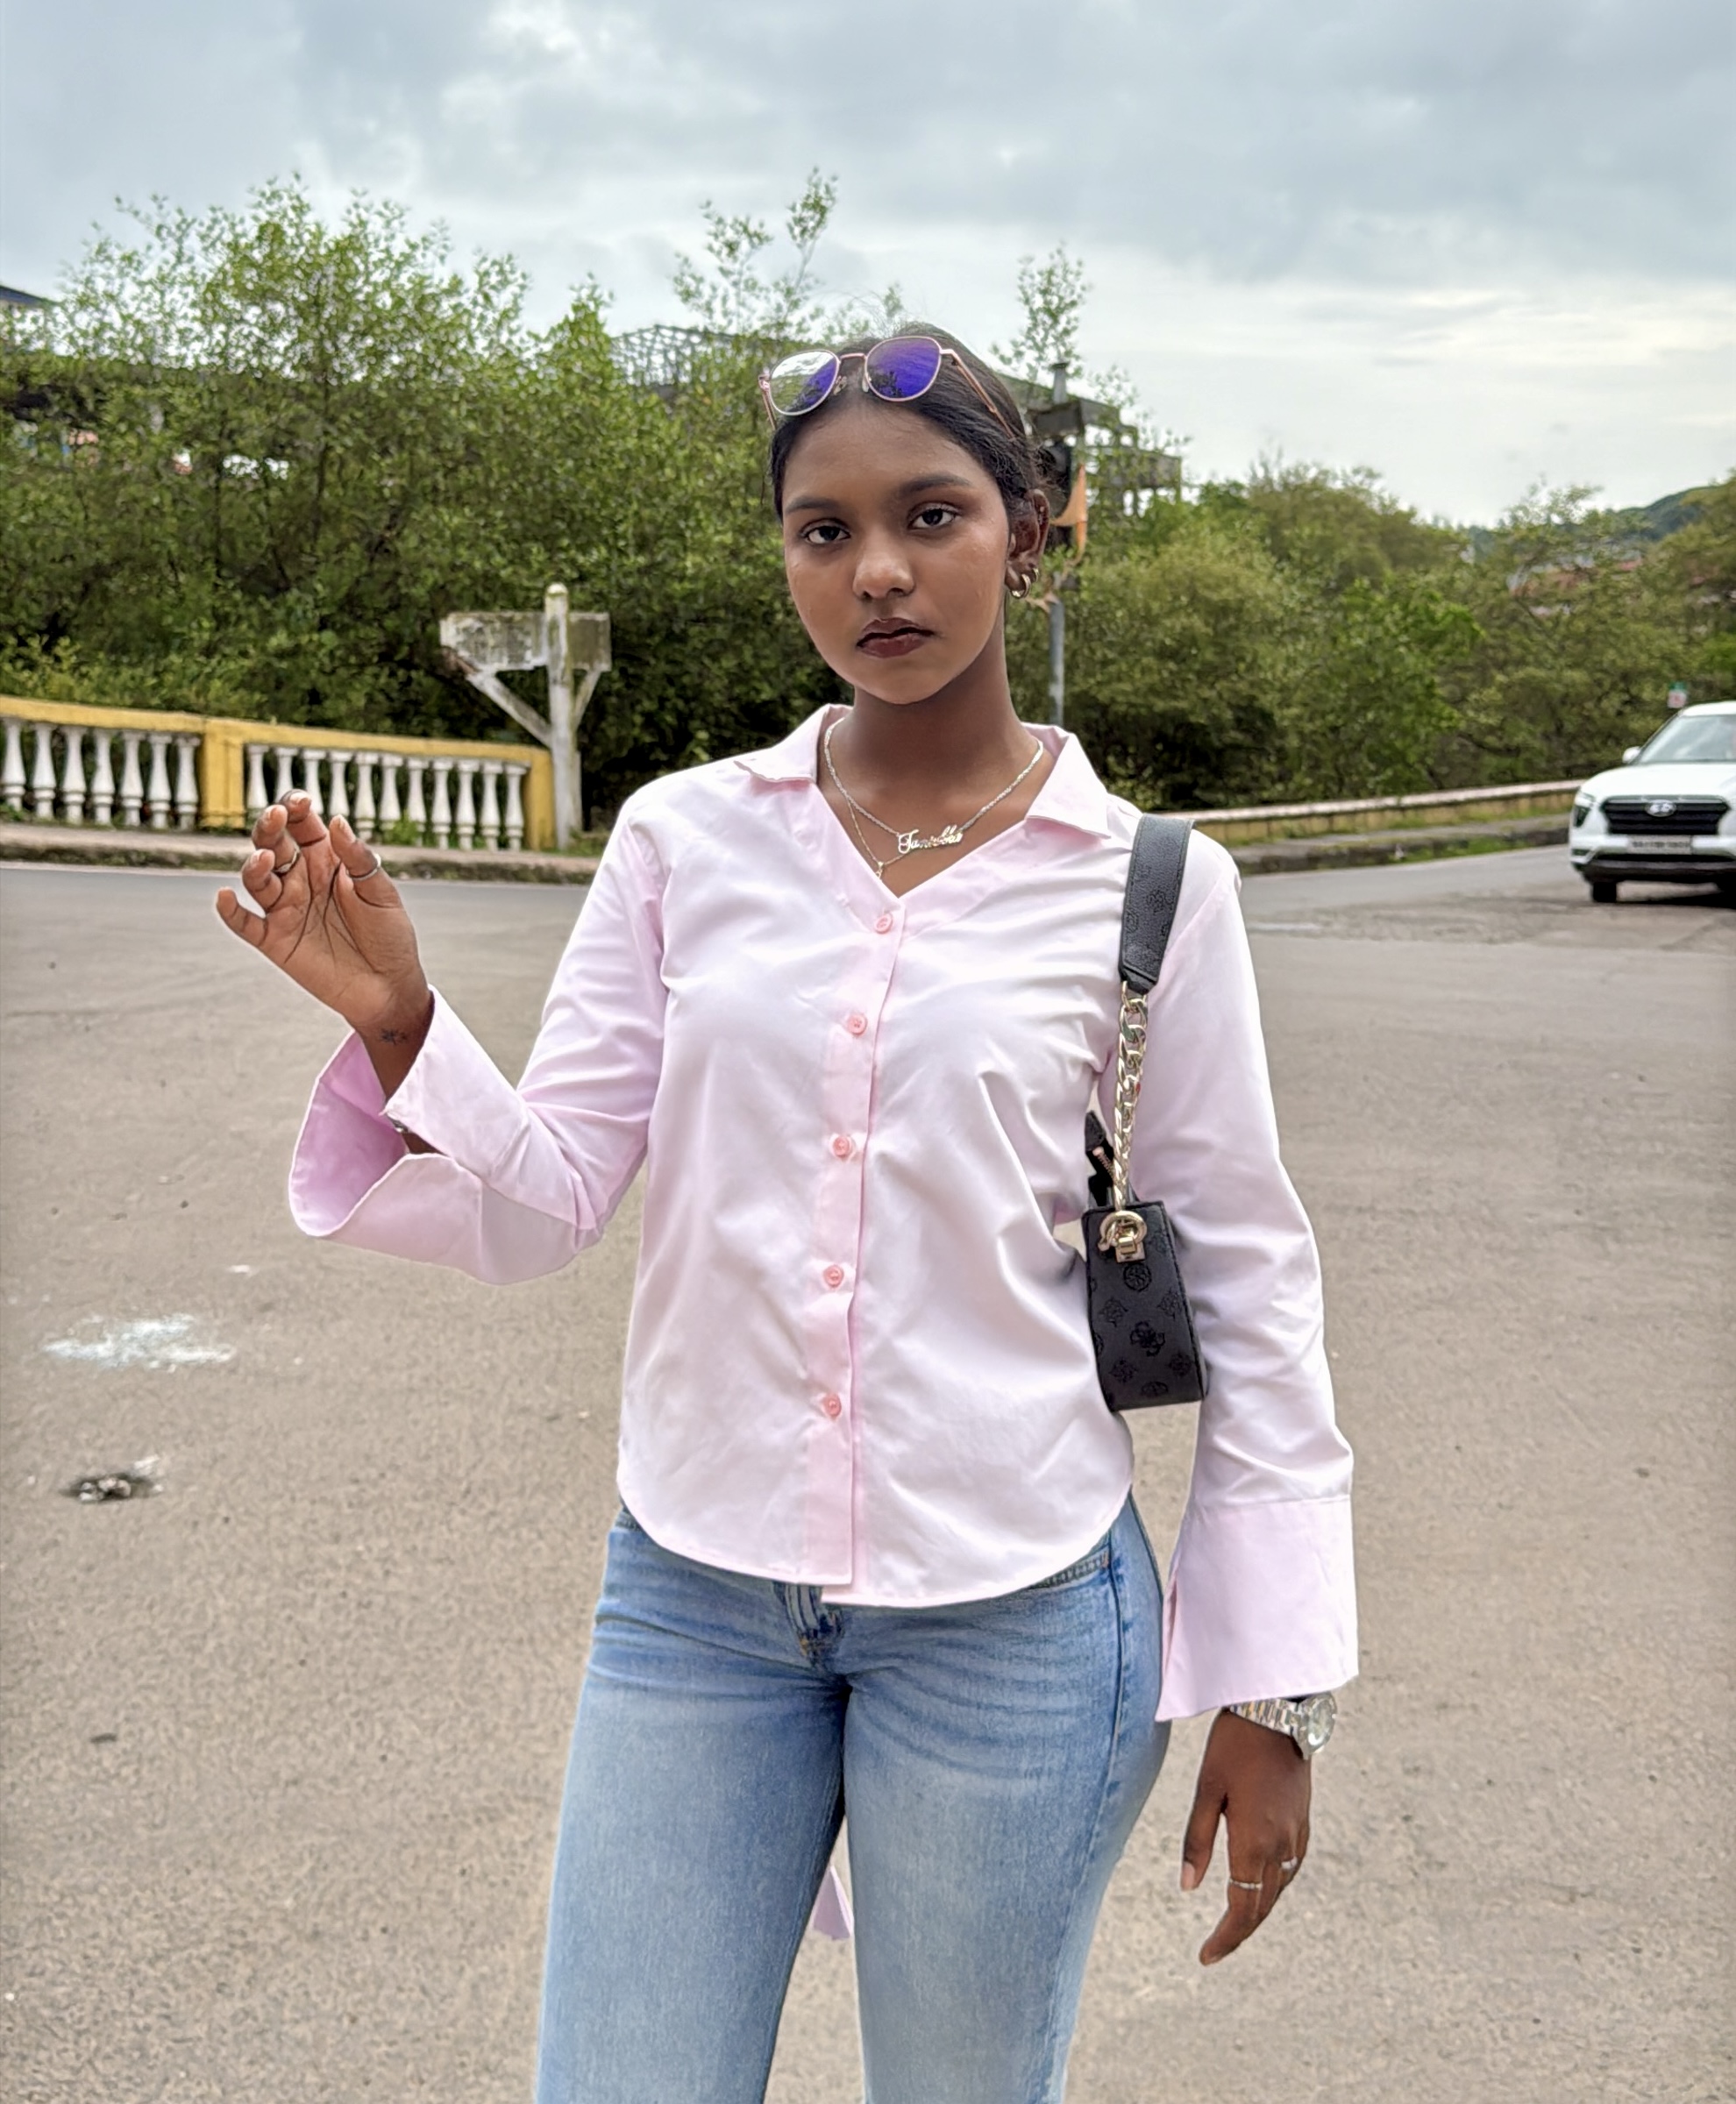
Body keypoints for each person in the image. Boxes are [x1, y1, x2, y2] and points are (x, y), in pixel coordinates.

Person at [217, 327, 1355, 2104]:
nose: (877, 570)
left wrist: (1277, 1691)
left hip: (1018, 1619)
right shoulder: (685, 842)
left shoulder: (1153, 888)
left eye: (932, 514)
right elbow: (554, 1197)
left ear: (1036, 526)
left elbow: (1253, 1279)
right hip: (691, 1595)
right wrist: (403, 1031)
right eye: (823, 532)